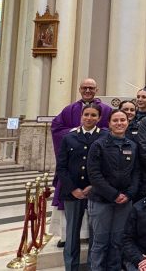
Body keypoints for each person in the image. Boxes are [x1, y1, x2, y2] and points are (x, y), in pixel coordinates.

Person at [50, 78, 113, 246]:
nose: (87, 90)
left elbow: (114, 128)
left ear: (96, 89)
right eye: (84, 87)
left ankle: (90, 236)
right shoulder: (69, 109)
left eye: (91, 88)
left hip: (96, 169)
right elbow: (56, 128)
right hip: (74, 167)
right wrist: (74, 131)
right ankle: (68, 237)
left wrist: (97, 134)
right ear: (79, 89)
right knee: (71, 202)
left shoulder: (106, 109)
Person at [56, 103, 108, 271]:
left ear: (99, 118)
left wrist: (93, 186)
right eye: (86, 114)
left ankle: (94, 266)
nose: (89, 118)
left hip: (97, 192)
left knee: (95, 233)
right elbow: (61, 167)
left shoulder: (105, 137)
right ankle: (71, 267)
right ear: (81, 116)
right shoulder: (69, 138)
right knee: (72, 233)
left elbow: (108, 165)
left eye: (93, 115)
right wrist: (73, 189)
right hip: (73, 193)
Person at [87, 109, 140, 270]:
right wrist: (114, 194)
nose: (119, 123)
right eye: (115, 120)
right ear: (109, 124)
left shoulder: (132, 146)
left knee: (118, 242)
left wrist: (129, 194)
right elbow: (94, 175)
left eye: (122, 120)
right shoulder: (98, 145)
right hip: (102, 201)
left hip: (124, 203)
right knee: (100, 242)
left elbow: (136, 173)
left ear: (128, 122)